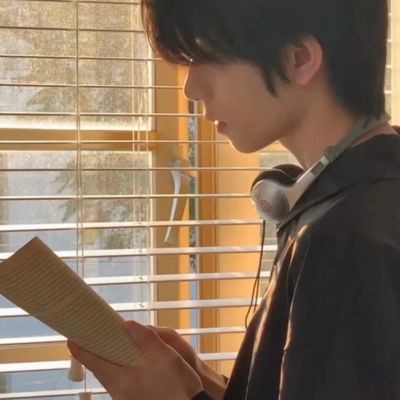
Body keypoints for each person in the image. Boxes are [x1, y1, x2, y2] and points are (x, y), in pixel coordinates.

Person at [69, 0, 400, 398]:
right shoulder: (361, 197)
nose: (192, 89)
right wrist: (206, 384)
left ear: (298, 59)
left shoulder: (344, 240)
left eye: (206, 57)